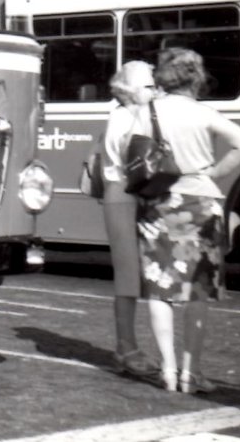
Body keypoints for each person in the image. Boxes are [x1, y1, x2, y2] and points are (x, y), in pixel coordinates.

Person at [134, 48, 240, 393]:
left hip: (159, 203)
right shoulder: (204, 113)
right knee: (196, 293)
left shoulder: (147, 112)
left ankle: (168, 371)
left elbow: (137, 161)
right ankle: (192, 372)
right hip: (201, 203)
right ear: (195, 78)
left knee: (160, 292)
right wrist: (214, 173)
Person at [99, 60, 159, 381]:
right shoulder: (127, 119)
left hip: (126, 195)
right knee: (127, 276)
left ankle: (131, 346)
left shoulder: (129, 115)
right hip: (125, 196)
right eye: (149, 85)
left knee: (135, 275)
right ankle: (126, 348)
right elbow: (136, 165)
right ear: (131, 90)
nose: (155, 90)